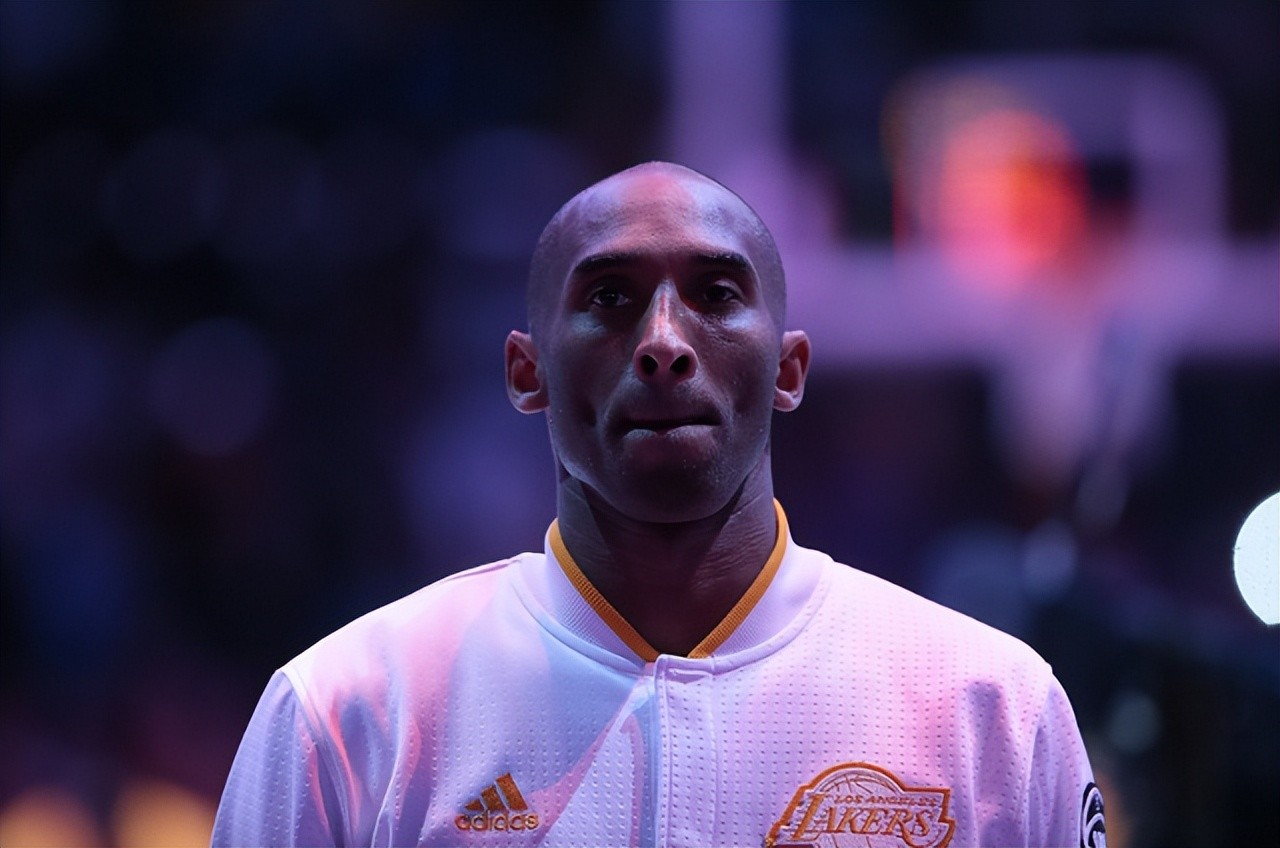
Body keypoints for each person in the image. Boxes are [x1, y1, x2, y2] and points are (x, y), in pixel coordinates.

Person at [212, 162, 1106, 848]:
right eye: (611, 298)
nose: (665, 342)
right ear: (527, 372)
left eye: (716, 295)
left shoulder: (991, 706)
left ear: (789, 369)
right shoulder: (349, 712)